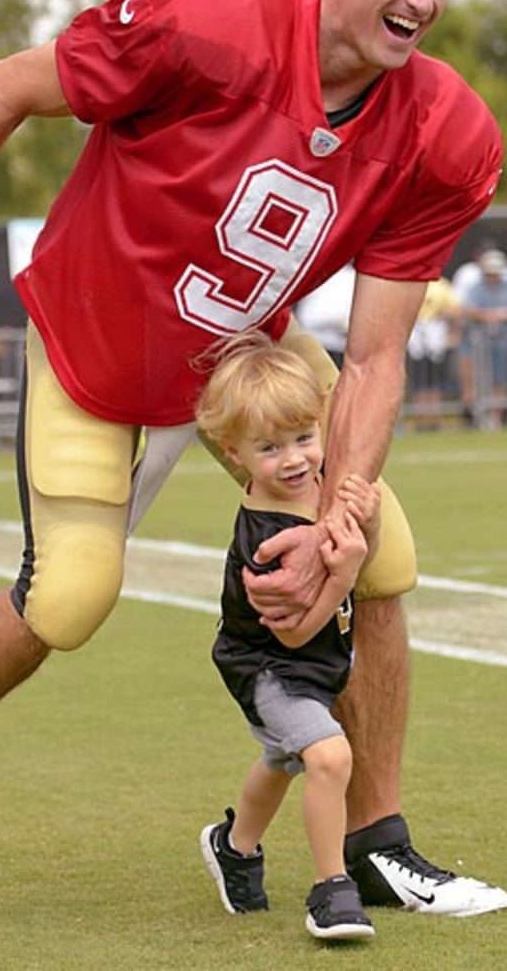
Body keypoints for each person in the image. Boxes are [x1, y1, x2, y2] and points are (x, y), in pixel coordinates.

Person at [0, 0, 507, 936]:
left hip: (244, 360)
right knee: (69, 599)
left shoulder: (443, 130)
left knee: (379, 555)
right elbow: (8, 84)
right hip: (98, 346)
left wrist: (340, 512)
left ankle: (376, 841)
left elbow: (376, 356)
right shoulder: (206, 16)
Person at [196, 333, 382, 939]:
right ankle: (332, 888)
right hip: (268, 665)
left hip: (318, 660)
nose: (295, 458)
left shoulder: (321, 482)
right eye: (270, 448)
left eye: (304, 437)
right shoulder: (264, 537)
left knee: (280, 758)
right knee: (328, 756)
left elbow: (355, 544)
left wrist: (364, 525)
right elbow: (297, 633)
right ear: (235, 453)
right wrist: (348, 570)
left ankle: (235, 845)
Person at [460, 249, 507, 428]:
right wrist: (485, 315)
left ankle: (496, 417)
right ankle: (478, 416)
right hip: (478, 343)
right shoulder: (475, 287)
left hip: (502, 341)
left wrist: (500, 314)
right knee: (477, 380)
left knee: (499, 380)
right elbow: (467, 309)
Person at [405, 275, 460, 431]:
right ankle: (421, 419)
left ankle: (434, 419)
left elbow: (454, 309)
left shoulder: (442, 285)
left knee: (434, 382)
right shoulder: (411, 282)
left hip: (435, 340)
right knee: (419, 383)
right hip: (416, 340)